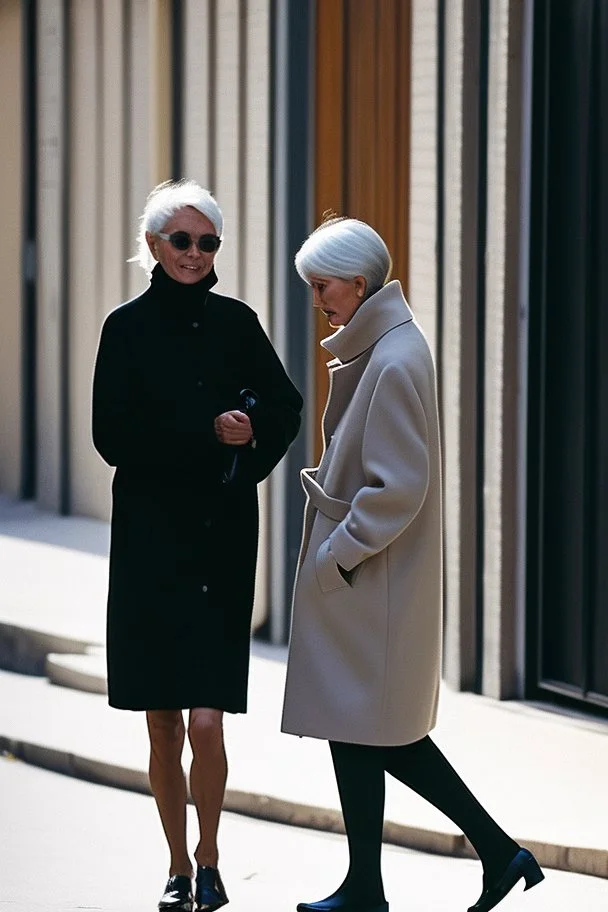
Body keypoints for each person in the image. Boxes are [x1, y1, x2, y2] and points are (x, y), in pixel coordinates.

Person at [281, 217, 543, 912]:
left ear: (358, 283)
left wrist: (337, 557)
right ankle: (380, 882)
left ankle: (488, 853)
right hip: (372, 588)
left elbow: (399, 485)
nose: (319, 301)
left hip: (374, 585)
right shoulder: (390, 347)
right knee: (362, 731)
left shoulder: (395, 357)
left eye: (324, 287)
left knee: (381, 734)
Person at [93, 179, 302, 912]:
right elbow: (109, 436)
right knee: (162, 719)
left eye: (207, 241)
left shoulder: (238, 323)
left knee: (207, 718)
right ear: (153, 244)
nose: (194, 253)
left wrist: (250, 439)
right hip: (150, 539)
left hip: (219, 536)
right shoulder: (124, 328)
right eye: (181, 239)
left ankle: (210, 858)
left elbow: (284, 407)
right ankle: (176, 862)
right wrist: (203, 434)